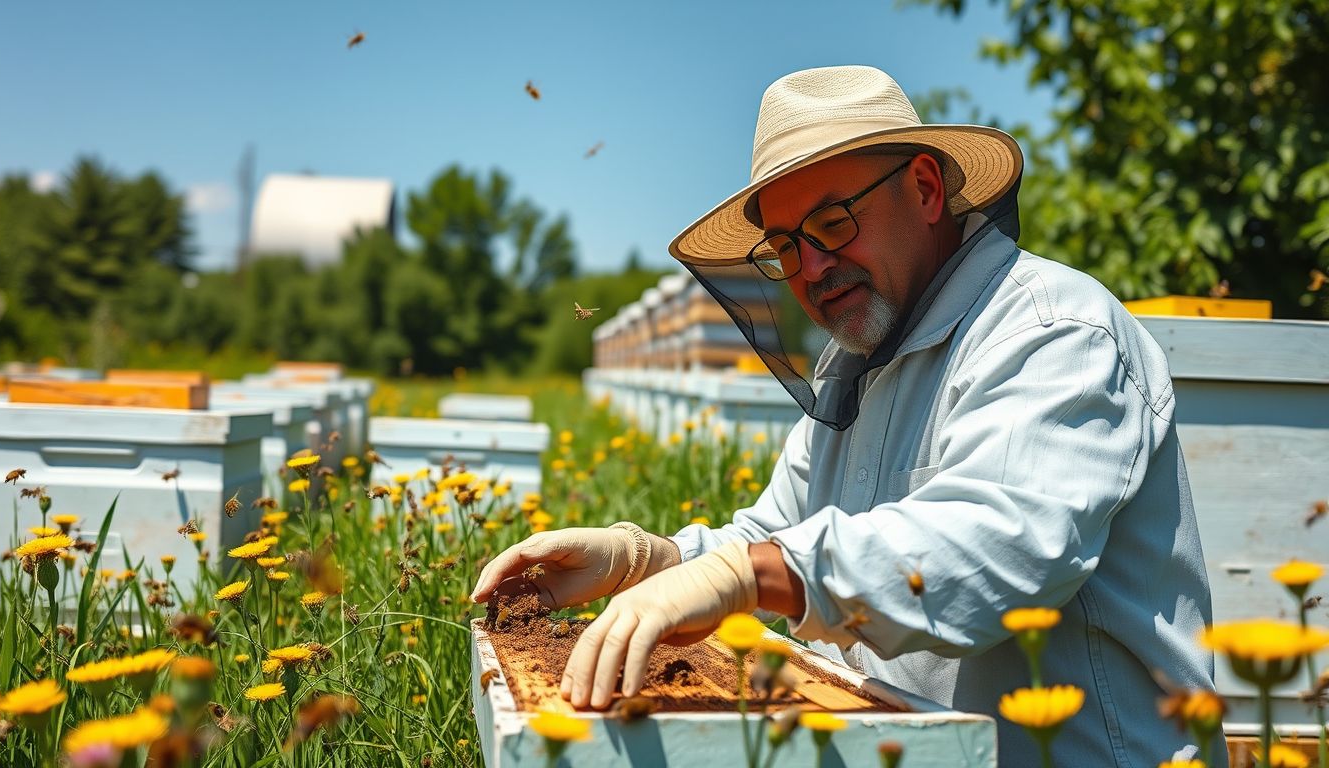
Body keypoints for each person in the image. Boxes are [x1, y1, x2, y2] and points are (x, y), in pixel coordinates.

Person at [473, 65, 1224, 766]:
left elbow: (1001, 547)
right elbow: (777, 539)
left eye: (833, 222)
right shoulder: (855, 362)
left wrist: (746, 574)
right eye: (786, 246)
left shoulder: (1051, 334)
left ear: (926, 189)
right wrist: (648, 560)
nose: (812, 268)